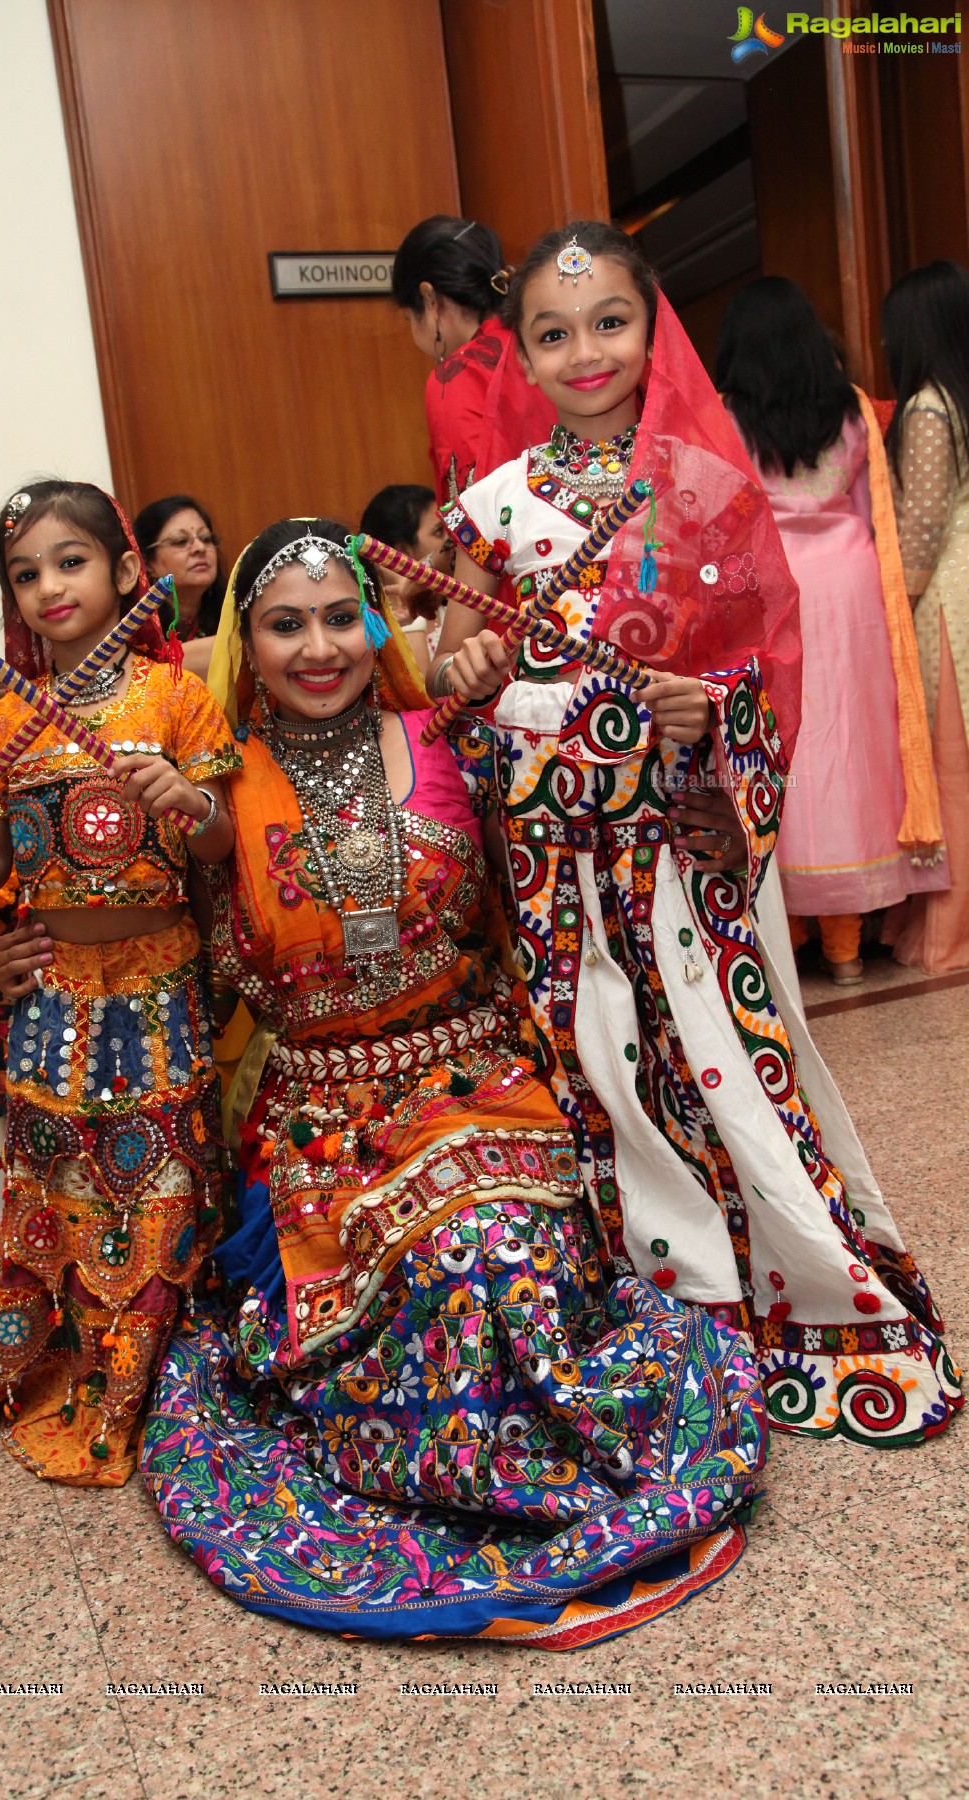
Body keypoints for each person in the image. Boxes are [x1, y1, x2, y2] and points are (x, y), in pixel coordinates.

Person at [119, 516, 761, 1646]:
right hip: (320, 1121)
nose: (318, 647)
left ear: (379, 625)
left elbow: (602, 817)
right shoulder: (211, 790)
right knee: (432, 1267)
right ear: (245, 645)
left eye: (339, 617)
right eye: (284, 625)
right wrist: (23, 939)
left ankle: (532, 1451)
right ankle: (457, 1471)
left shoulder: (454, 740)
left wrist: (685, 725)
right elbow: (130, 940)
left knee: (496, 1245)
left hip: (482, 1083)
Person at [432, 221, 960, 1446]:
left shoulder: (707, 488)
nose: (583, 352)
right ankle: (635, 1301)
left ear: (652, 327)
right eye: (553, 333)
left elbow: (767, 672)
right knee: (592, 1060)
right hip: (551, 847)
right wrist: (465, 663)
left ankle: (764, 1295)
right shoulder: (490, 509)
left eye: (609, 322)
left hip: (680, 839)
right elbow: (449, 678)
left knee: (716, 1048)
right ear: (523, 349)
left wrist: (708, 710)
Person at [0, 479, 240, 1485]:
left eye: (71, 560)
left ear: (128, 574)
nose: (49, 585)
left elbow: (222, 847)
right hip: (54, 990)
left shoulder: (174, 695)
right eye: (25, 571)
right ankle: (66, 1350)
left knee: (161, 1170)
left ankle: (148, 1369)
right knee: (59, 1171)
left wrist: (186, 800)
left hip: (160, 982)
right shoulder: (8, 720)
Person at [716, 277, 945, 983]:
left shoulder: (726, 417)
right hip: (852, 587)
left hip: (773, 588)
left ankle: (794, 935)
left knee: (787, 749)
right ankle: (849, 946)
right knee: (853, 746)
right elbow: (873, 506)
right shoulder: (850, 409)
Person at [881, 261, 969, 973]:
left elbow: (922, 527)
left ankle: (953, 920)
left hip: (952, 593)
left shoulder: (930, 408)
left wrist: (894, 609)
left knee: (951, 764)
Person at [392, 216, 555, 505]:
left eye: (408, 317)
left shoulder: (455, 377)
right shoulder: (549, 337)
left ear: (429, 298)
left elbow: (474, 509)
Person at [358, 483, 448, 672]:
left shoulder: (456, 604)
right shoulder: (372, 629)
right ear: (403, 552)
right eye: (439, 531)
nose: (452, 540)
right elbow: (421, 697)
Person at [133, 494, 224, 680]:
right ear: (147, 562)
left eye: (206, 538)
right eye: (181, 541)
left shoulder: (234, 611)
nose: (199, 547)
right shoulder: (137, 629)